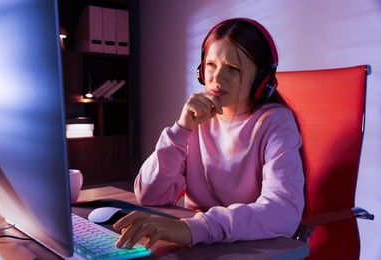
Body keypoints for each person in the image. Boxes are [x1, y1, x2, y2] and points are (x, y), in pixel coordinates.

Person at [113, 18, 305, 250]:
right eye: (211, 65)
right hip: (197, 244)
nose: (217, 78)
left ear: (262, 80)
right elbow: (149, 195)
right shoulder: (199, 117)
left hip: (249, 248)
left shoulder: (275, 123)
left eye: (233, 69)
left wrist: (197, 228)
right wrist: (181, 130)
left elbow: (282, 212)